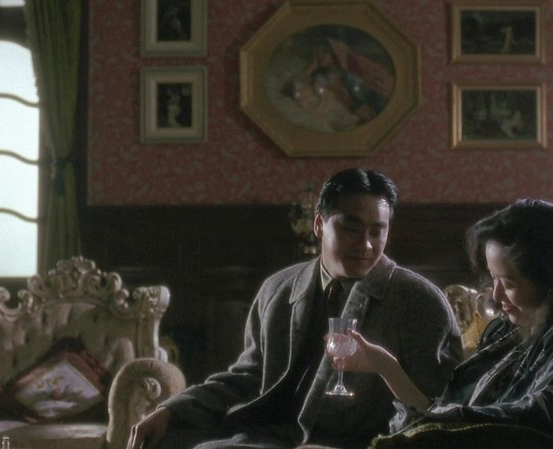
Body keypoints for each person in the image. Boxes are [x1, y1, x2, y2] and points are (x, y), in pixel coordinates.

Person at [126, 168, 462, 449]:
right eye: (351, 228)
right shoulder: (280, 288)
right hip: (272, 436)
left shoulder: (419, 301)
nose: (366, 245)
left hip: (366, 442)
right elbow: (248, 375)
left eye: (378, 231)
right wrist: (171, 410)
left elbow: (441, 410)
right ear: (319, 224)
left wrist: (385, 369)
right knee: (168, 438)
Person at [338, 198, 553, 446]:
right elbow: (440, 416)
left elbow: (533, 418)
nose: (496, 295)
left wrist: (440, 420)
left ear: (549, 278)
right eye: (493, 279)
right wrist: (386, 367)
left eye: (508, 283)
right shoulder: (504, 332)